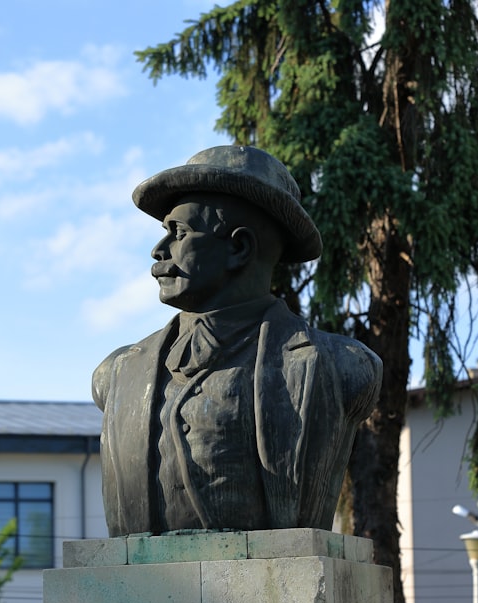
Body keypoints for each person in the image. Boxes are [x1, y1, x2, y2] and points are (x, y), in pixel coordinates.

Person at [92, 145, 381, 537]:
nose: (159, 252)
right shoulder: (119, 373)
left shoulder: (339, 367)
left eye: (179, 233)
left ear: (239, 248)